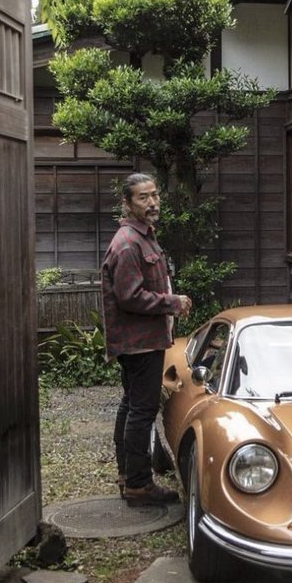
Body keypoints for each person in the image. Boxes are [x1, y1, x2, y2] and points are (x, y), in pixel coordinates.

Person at [101, 172, 192, 505]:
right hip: (139, 343)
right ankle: (139, 484)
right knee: (142, 410)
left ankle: (129, 475)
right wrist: (172, 302)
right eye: (143, 197)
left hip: (145, 339)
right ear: (127, 202)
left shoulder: (144, 236)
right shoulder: (127, 243)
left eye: (154, 195)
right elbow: (129, 296)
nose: (152, 202)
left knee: (131, 406)